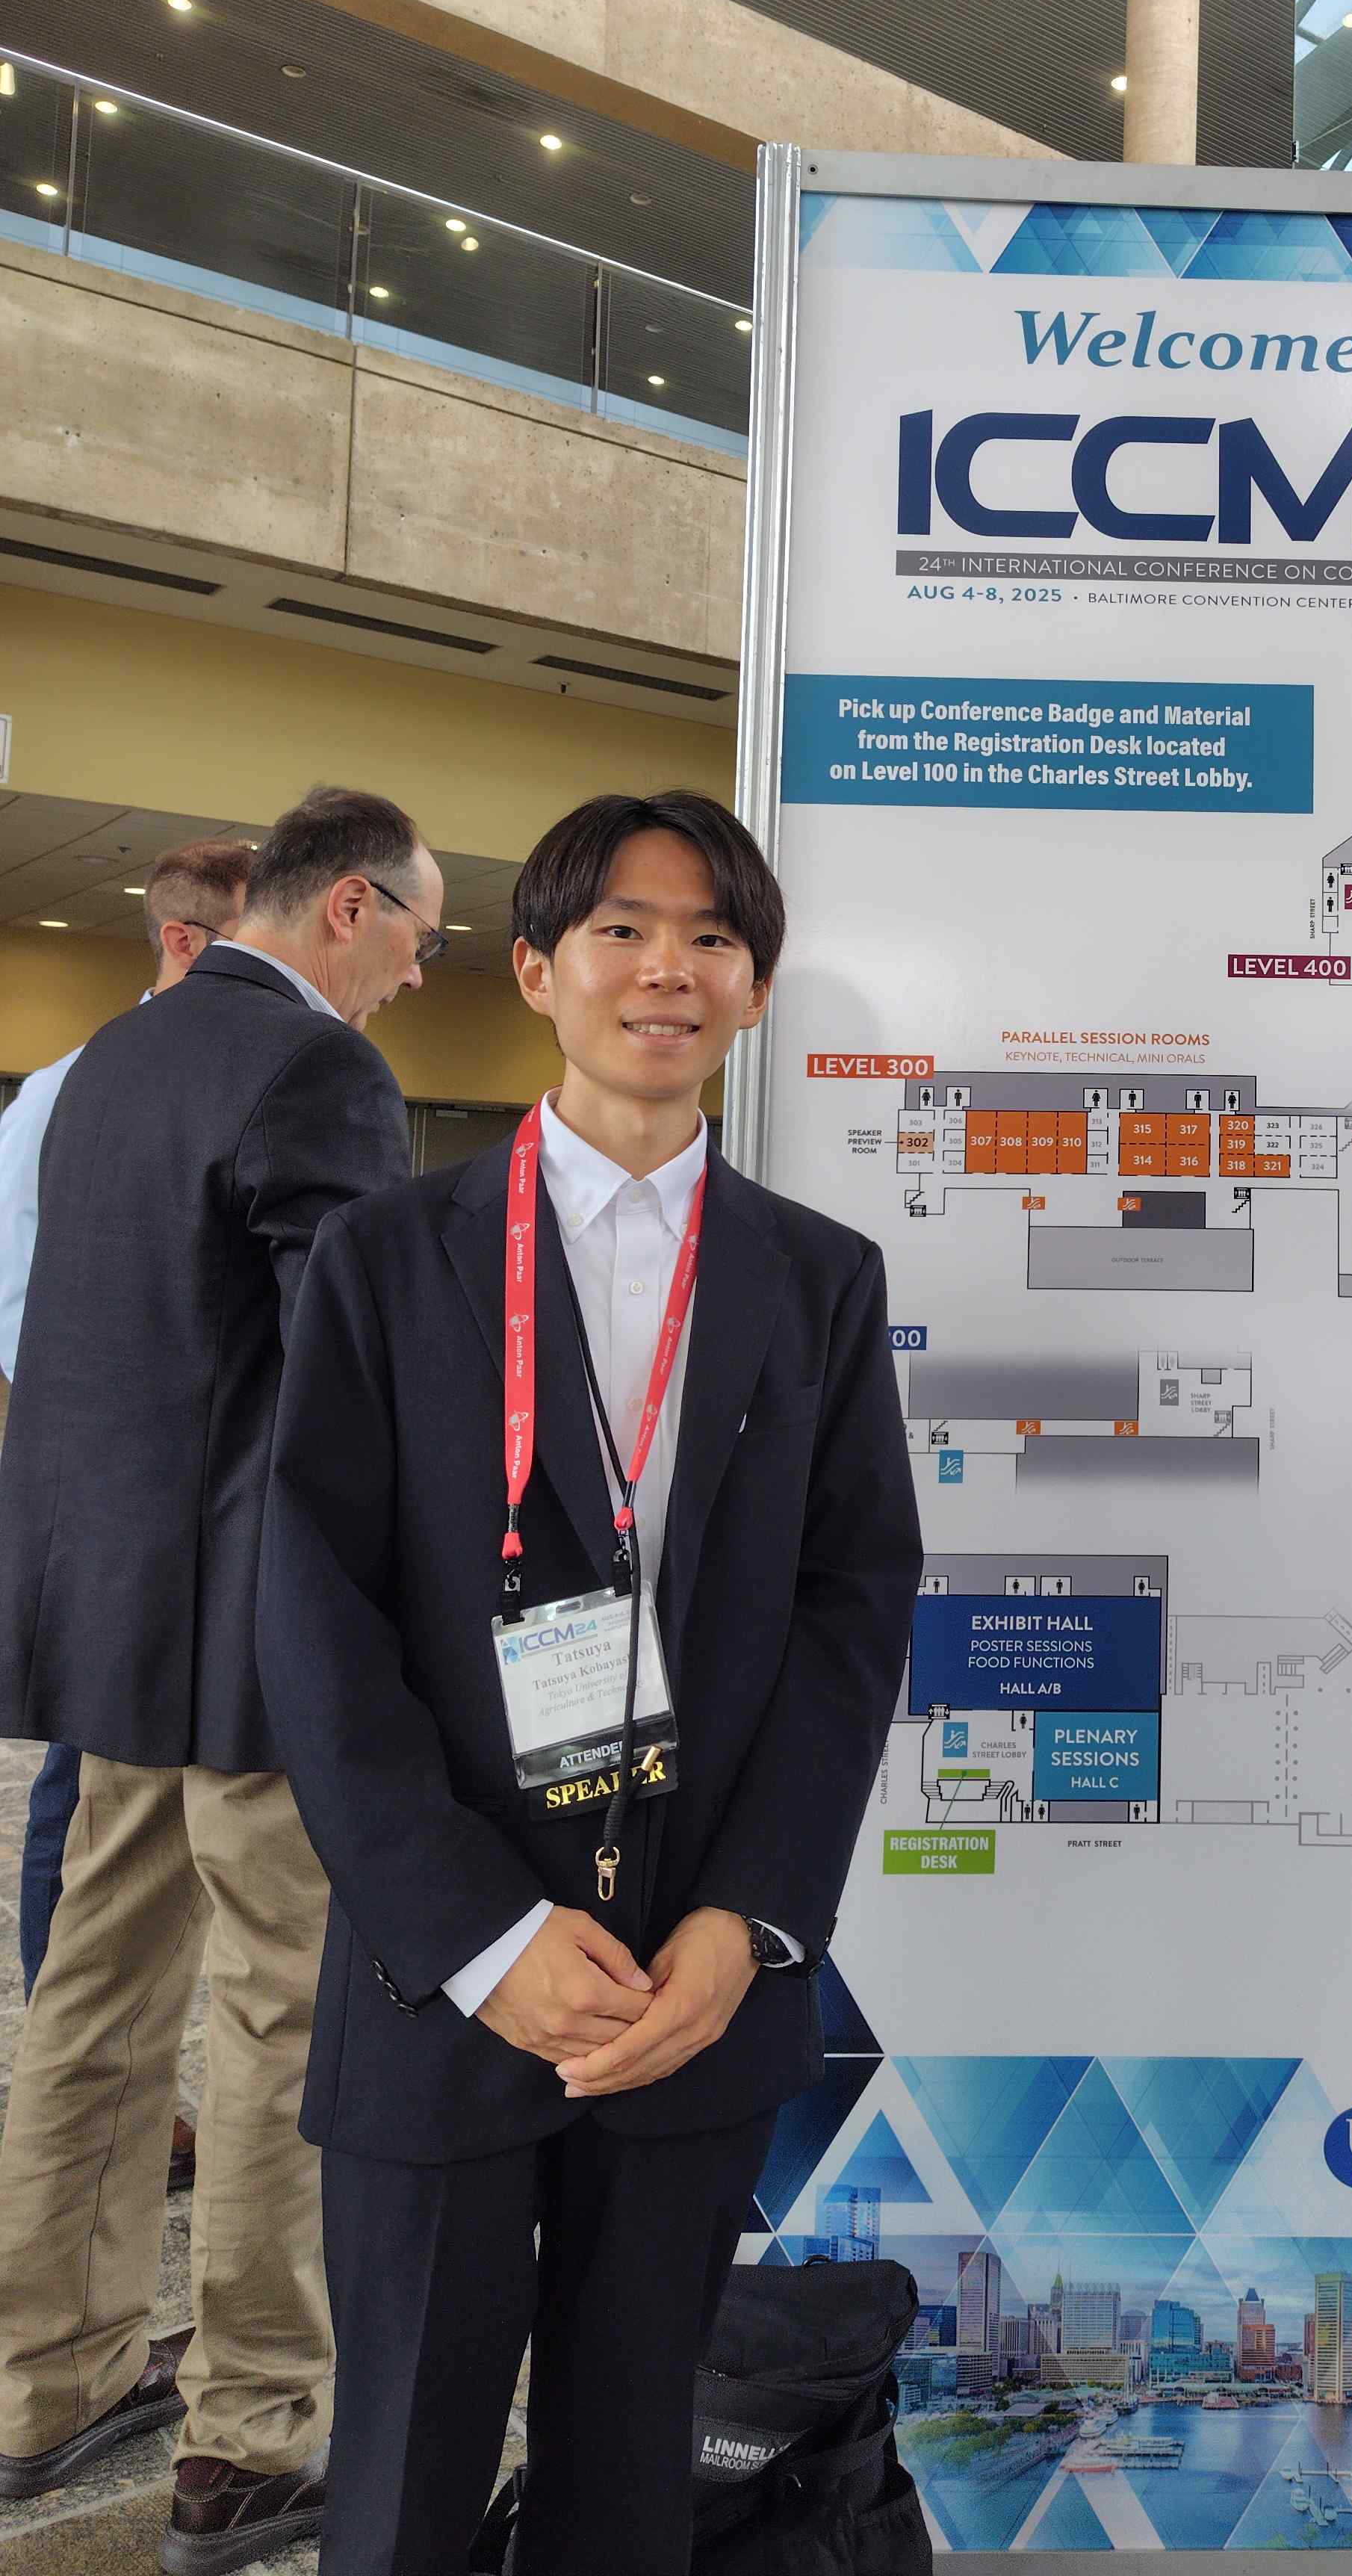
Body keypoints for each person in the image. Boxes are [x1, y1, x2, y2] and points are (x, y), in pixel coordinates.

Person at [257, 787, 923, 2576]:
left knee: (631, 2491)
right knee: (400, 2489)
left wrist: (747, 1925)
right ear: (539, 967)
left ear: (755, 988)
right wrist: (480, 1934)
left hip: (689, 1995)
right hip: (441, 1984)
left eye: (712, 937)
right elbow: (314, 1615)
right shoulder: (387, 1257)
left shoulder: (820, 1280)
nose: (667, 968)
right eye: (622, 929)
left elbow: (852, 1614)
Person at [0, 786, 441, 2570]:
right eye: (419, 932)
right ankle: (253, 2432)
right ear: (348, 906)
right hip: (253, 1637)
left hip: (106, 1616)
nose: (421, 969)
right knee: (283, 2011)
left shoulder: (109, 1058)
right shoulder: (319, 1066)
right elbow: (361, 1369)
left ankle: (44, 2382)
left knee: (92, 2001)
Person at [2, 838, 255, 2043]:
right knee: (92, 1769)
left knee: (169, 1782)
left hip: (212, 1491)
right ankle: (70, 2023)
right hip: (117, 1490)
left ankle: (111, 2055)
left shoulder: (242, 1071)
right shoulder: (73, 1085)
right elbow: (25, 1299)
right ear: (184, 941)